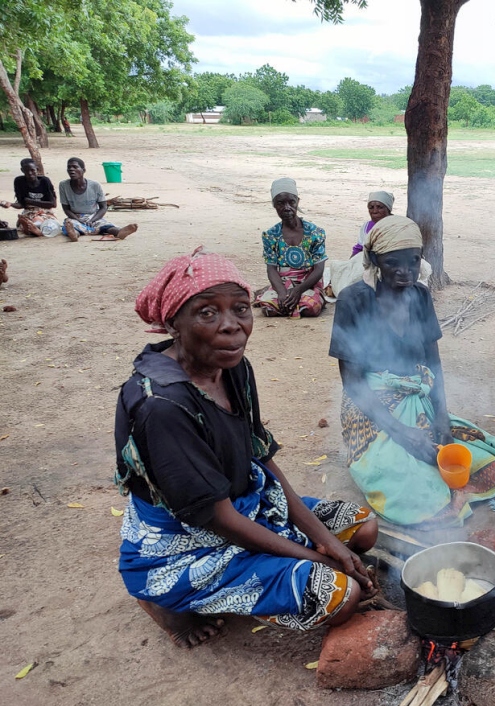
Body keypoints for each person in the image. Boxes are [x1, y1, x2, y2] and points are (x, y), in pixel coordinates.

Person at [114, 247, 377, 648]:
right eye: (207, 312)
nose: (231, 326)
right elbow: (217, 519)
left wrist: (328, 540)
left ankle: (283, 561)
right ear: (173, 323)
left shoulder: (231, 366)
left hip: (247, 502)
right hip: (188, 542)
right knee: (339, 596)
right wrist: (317, 557)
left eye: (240, 308)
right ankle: (166, 601)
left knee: (363, 527)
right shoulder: (161, 406)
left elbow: (261, 457)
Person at [329, 215, 495, 527]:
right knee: (413, 485)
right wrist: (402, 434)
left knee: (483, 461)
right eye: (393, 263)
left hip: (417, 400)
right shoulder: (353, 300)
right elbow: (352, 382)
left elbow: (434, 364)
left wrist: (441, 419)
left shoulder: (420, 295)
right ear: (374, 260)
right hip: (371, 408)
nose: (406, 272)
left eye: (413, 261)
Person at [252, 178, 327, 318]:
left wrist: (298, 290)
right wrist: (281, 292)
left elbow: (319, 269)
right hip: (283, 283)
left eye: (291, 202)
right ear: (274, 205)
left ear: (298, 201)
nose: (287, 207)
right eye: (280, 203)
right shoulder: (270, 235)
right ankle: (275, 294)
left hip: (308, 284)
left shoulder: (315, 233)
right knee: (270, 308)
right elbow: (271, 268)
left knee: (309, 307)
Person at [59, 157, 137, 241]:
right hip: (75, 217)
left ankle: (120, 232)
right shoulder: (64, 185)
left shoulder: (95, 185)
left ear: (83, 170)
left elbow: (103, 207)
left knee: (106, 226)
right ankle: (74, 234)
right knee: (70, 226)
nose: (71, 169)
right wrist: (78, 219)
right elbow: (66, 209)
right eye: (69, 167)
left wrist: (93, 219)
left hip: (94, 216)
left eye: (75, 167)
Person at [0, 159, 60, 237]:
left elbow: (53, 204)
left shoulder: (44, 181)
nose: (30, 173)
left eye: (32, 170)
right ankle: (33, 228)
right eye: (26, 171)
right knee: (32, 221)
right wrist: (10, 204)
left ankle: (34, 228)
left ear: (37, 169)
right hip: (29, 212)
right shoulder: (19, 181)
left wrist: (30, 201)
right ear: (22, 170)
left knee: (47, 222)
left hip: (45, 211)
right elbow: (22, 204)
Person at [352, 190, 393, 257]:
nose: (374, 211)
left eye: (379, 207)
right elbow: (359, 248)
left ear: (388, 209)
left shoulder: (396, 225)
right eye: (371, 207)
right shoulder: (366, 226)